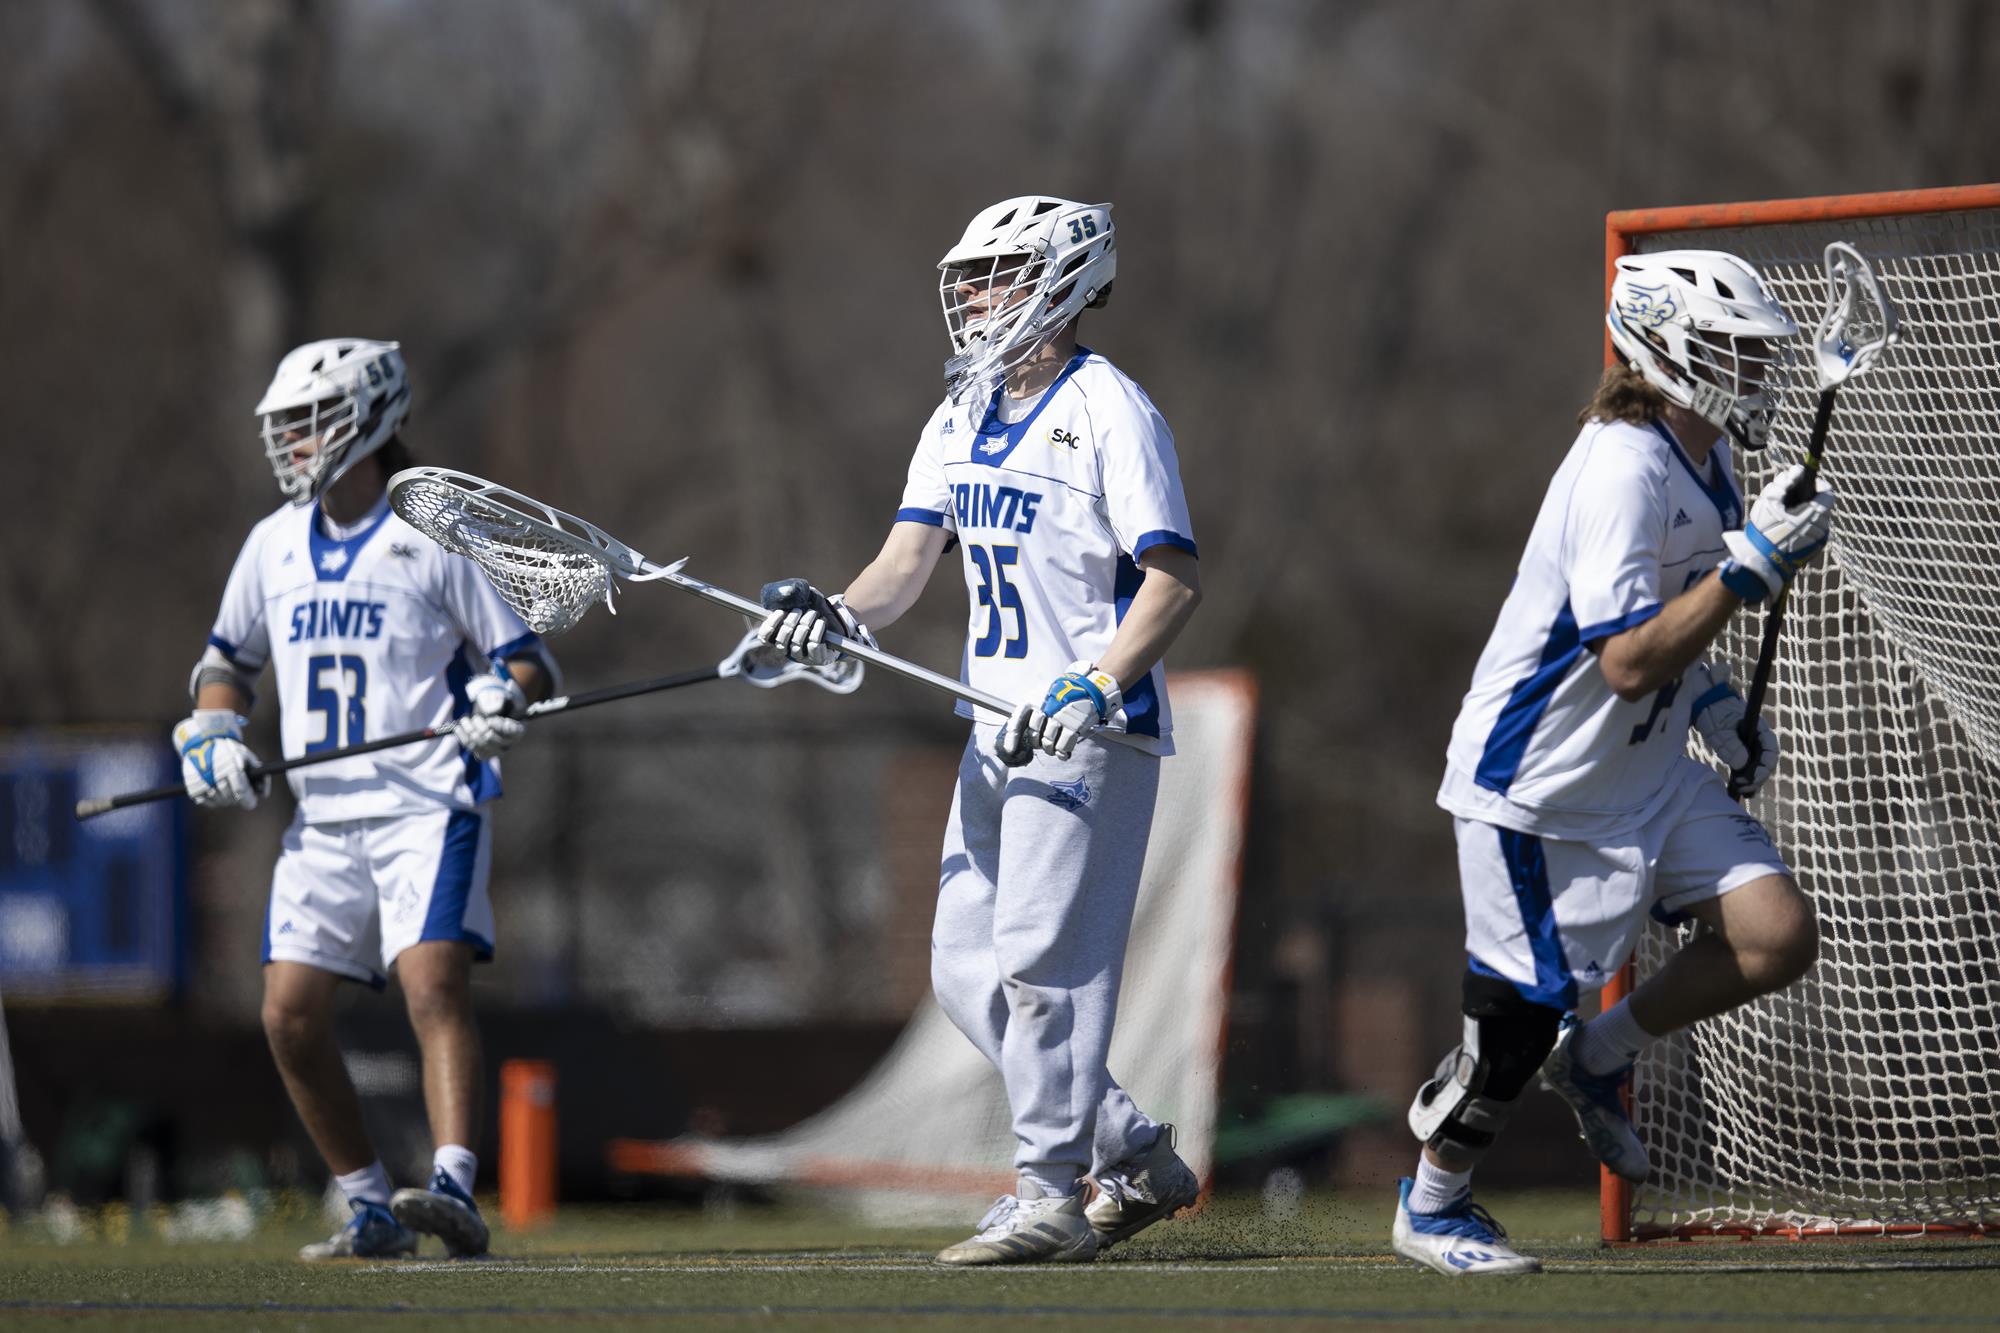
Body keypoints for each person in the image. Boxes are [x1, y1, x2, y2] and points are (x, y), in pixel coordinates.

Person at [756, 197, 1203, 1265]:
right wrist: (834, 615)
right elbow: (903, 564)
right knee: (965, 970)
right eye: (967, 277)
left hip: (1083, 733)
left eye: (997, 273)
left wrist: (1093, 683)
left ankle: (1051, 1192)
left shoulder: (1109, 410)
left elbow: (1173, 577)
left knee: (1039, 963)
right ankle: (1128, 1149)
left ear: (1062, 278)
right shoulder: (955, 417)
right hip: (992, 734)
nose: (971, 296)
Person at [1393, 251, 1834, 1275]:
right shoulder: (1618, 466)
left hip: (1643, 771)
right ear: (1664, 345)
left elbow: (1671, 632)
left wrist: (1719, 704)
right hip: (1537, 781)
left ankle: (1598, 1056)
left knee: (1773, 935)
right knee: (1512, 1017)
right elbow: (1626, 660)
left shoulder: (1705, 453)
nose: (1750, 369)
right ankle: (1433, 1203)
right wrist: (1749, 566)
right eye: (1731, 347)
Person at [177, 339, 558, 1261]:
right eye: (288, 428)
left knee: (433, 982)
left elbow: (527, 661)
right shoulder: (271, 545)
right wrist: (215, 732)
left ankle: (457, 1189)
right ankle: (370, 1206)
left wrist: (500, 700)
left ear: (372, 417)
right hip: (324, 818)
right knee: (288, 1014)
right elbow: (227, 664)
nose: (296, 445)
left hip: (429, 799)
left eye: (311, 424)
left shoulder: (434, 532)